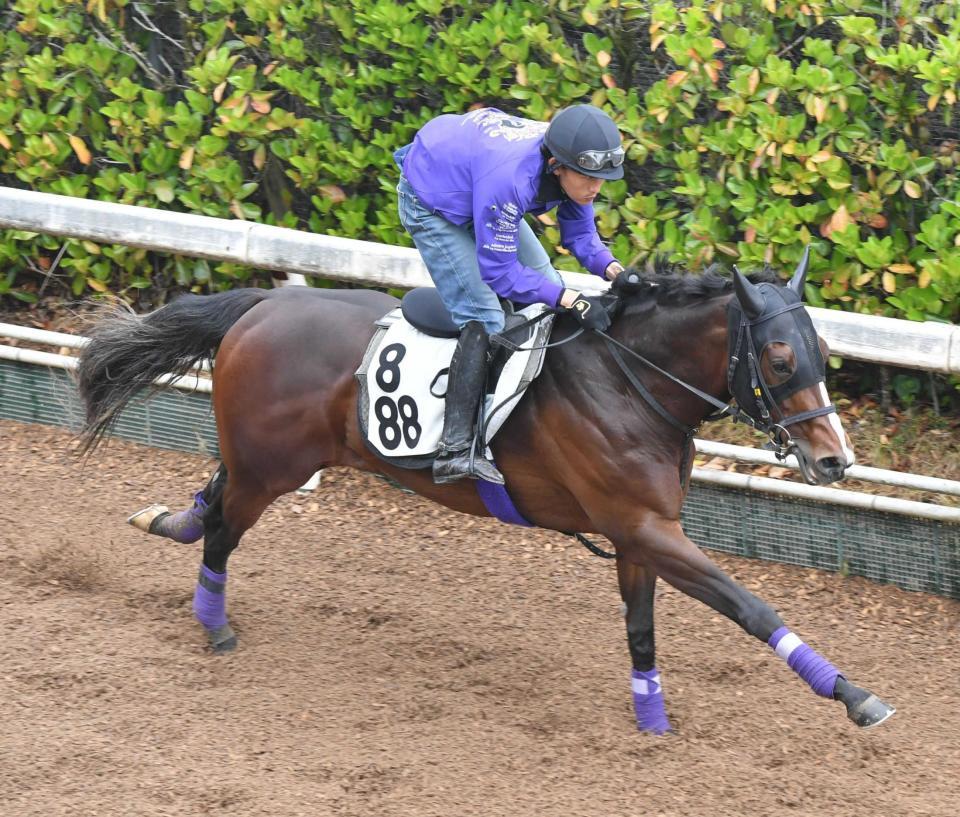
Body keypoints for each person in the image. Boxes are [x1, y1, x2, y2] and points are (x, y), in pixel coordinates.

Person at [394, 104, 635, 486]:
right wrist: (570, 299)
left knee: (545, 281)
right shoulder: (511, 180)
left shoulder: (566, 164)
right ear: (557, 165)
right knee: (485, 315)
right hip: (432, 200)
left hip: (475, 179)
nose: (596, 187)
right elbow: (500, 273)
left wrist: (614, 270)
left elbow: (581, 236)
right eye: (589, 177)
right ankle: (456, 449)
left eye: (602, 178)